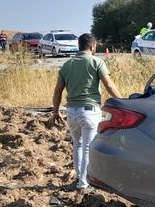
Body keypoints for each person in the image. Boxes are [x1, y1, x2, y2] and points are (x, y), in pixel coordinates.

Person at [50, 33, 122, 192]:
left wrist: (55, 112)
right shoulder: (97, 62)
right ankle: (83, 183)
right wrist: (123, 101)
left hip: (71, 112)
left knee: (78, 145)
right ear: (92, 46)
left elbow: (57, 92)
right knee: (88, 147)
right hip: (90, 111)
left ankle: (80, 178)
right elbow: (109, 85)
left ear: (79, 46)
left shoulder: (67, 65)